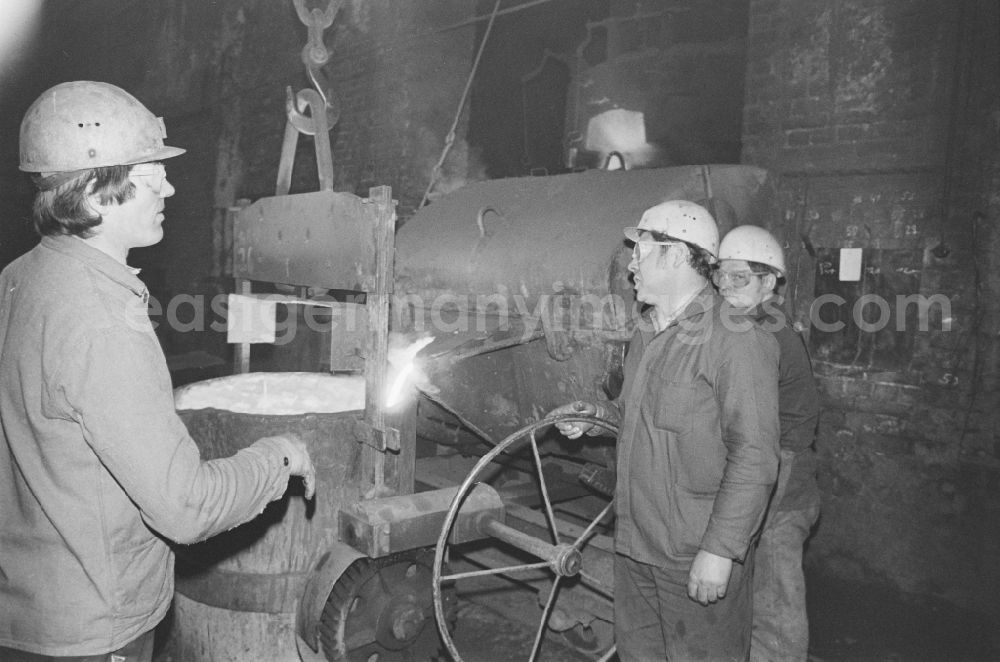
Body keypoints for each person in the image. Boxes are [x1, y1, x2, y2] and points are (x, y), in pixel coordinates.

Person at [0, 81, 316, 661]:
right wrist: (280, 456)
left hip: (24, 607)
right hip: (96, 627)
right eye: (151, 176)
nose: (169, 187)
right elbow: (185, 506)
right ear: (96, 192)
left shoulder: (19, 279)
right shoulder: (104, 318)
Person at [551, 200, 781, 661]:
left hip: (692, 554)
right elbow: (639, 420)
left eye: (642, 250)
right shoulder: (647, 333)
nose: (631, 263)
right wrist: (593, 417)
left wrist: (720, 550)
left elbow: (755, 454)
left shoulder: (734, 339)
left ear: (676, 255)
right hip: (636, 545)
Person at [715, 225, 821, 662]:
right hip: (767, 462)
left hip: (782, 471)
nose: (725, 286)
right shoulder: (746, 323)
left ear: (770, 281)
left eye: (739, 278)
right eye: (721, 275)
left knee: (774, 599)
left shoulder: (767, 332)